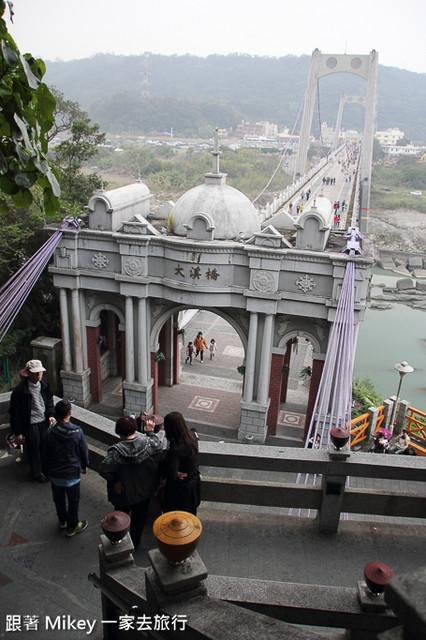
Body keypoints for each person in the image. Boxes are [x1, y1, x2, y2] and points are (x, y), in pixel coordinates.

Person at [99, 416, 163, 550]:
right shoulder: (147, 443)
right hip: (143, 489)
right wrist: (150, 432)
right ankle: (135, 541)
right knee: (139, 518)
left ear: (118, 432)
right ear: (135, 429)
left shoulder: (115, 453)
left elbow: (104, 470)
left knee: (120, 516)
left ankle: (119, 538)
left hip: (123, 492)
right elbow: (159, 446)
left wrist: (115, 481)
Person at [44, 399, 89, 536]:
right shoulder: (77, 432)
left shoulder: (51, 433)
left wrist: (46, 471)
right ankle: (72, 526)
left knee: (59, 499)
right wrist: (84, 465)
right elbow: (83, 451)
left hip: (56, 474)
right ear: (70, 413)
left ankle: (62, 520)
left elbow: (46, 453)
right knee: (73, 501)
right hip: (72, 474)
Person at [9, 359, 55, 482]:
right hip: (30, 424)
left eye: (40, 372)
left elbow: (50, 400)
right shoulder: (20, 391)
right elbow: (15, 413)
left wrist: (50, 414)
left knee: (45, 447)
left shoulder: (44, 383)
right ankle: (36, 474)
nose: (39, 375)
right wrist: (18, 432)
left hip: (44, 421)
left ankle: (47, 471)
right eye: (35, 373)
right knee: (34, 450)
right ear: (28, 373)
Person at [159, 411, 201, 515]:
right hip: (193, 482)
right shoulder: (192, 438)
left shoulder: (176, 450)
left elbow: (172, 474)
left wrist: (175, 473)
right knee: (190, 514)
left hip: (180, 490)